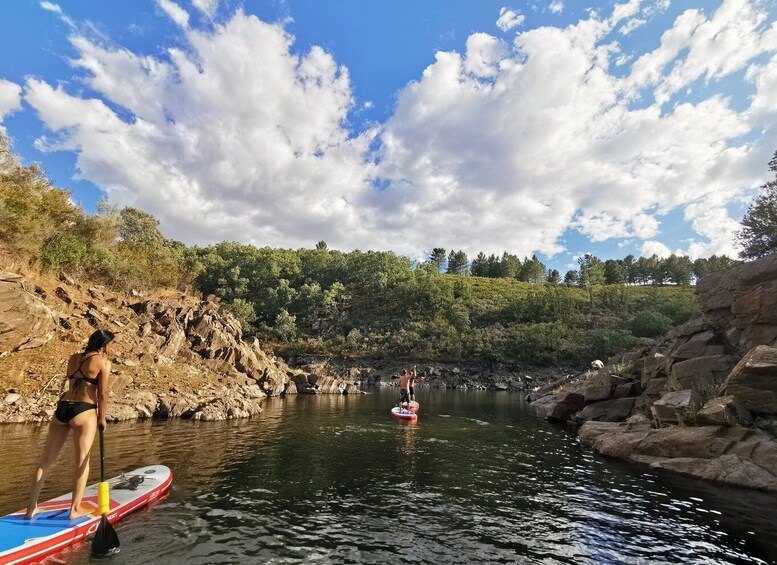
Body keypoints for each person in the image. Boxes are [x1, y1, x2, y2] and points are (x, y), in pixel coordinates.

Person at [25, 329, 114, 521]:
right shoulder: (103, 362)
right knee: (82, 461)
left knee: (46, 461)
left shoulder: (73, 358)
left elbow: (73, 382)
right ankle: (74, 509)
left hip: (63, 408)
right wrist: (102, 417)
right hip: (84, 410)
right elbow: (103, 394)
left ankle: (31, 508)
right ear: (104, 345)